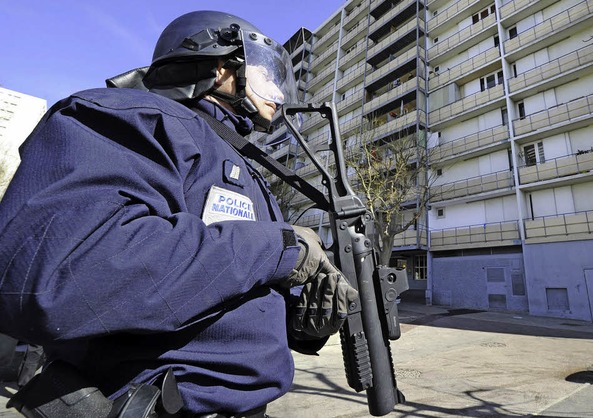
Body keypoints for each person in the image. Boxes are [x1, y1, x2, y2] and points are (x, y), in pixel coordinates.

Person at [0, 10, 358, 418]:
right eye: (266, 76)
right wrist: (280, 248)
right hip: (154, 405)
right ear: (221, 65)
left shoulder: (249, 171)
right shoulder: (130, 117)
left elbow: (224, 290)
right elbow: (59, 273)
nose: (277, 93)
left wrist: (303, 315)